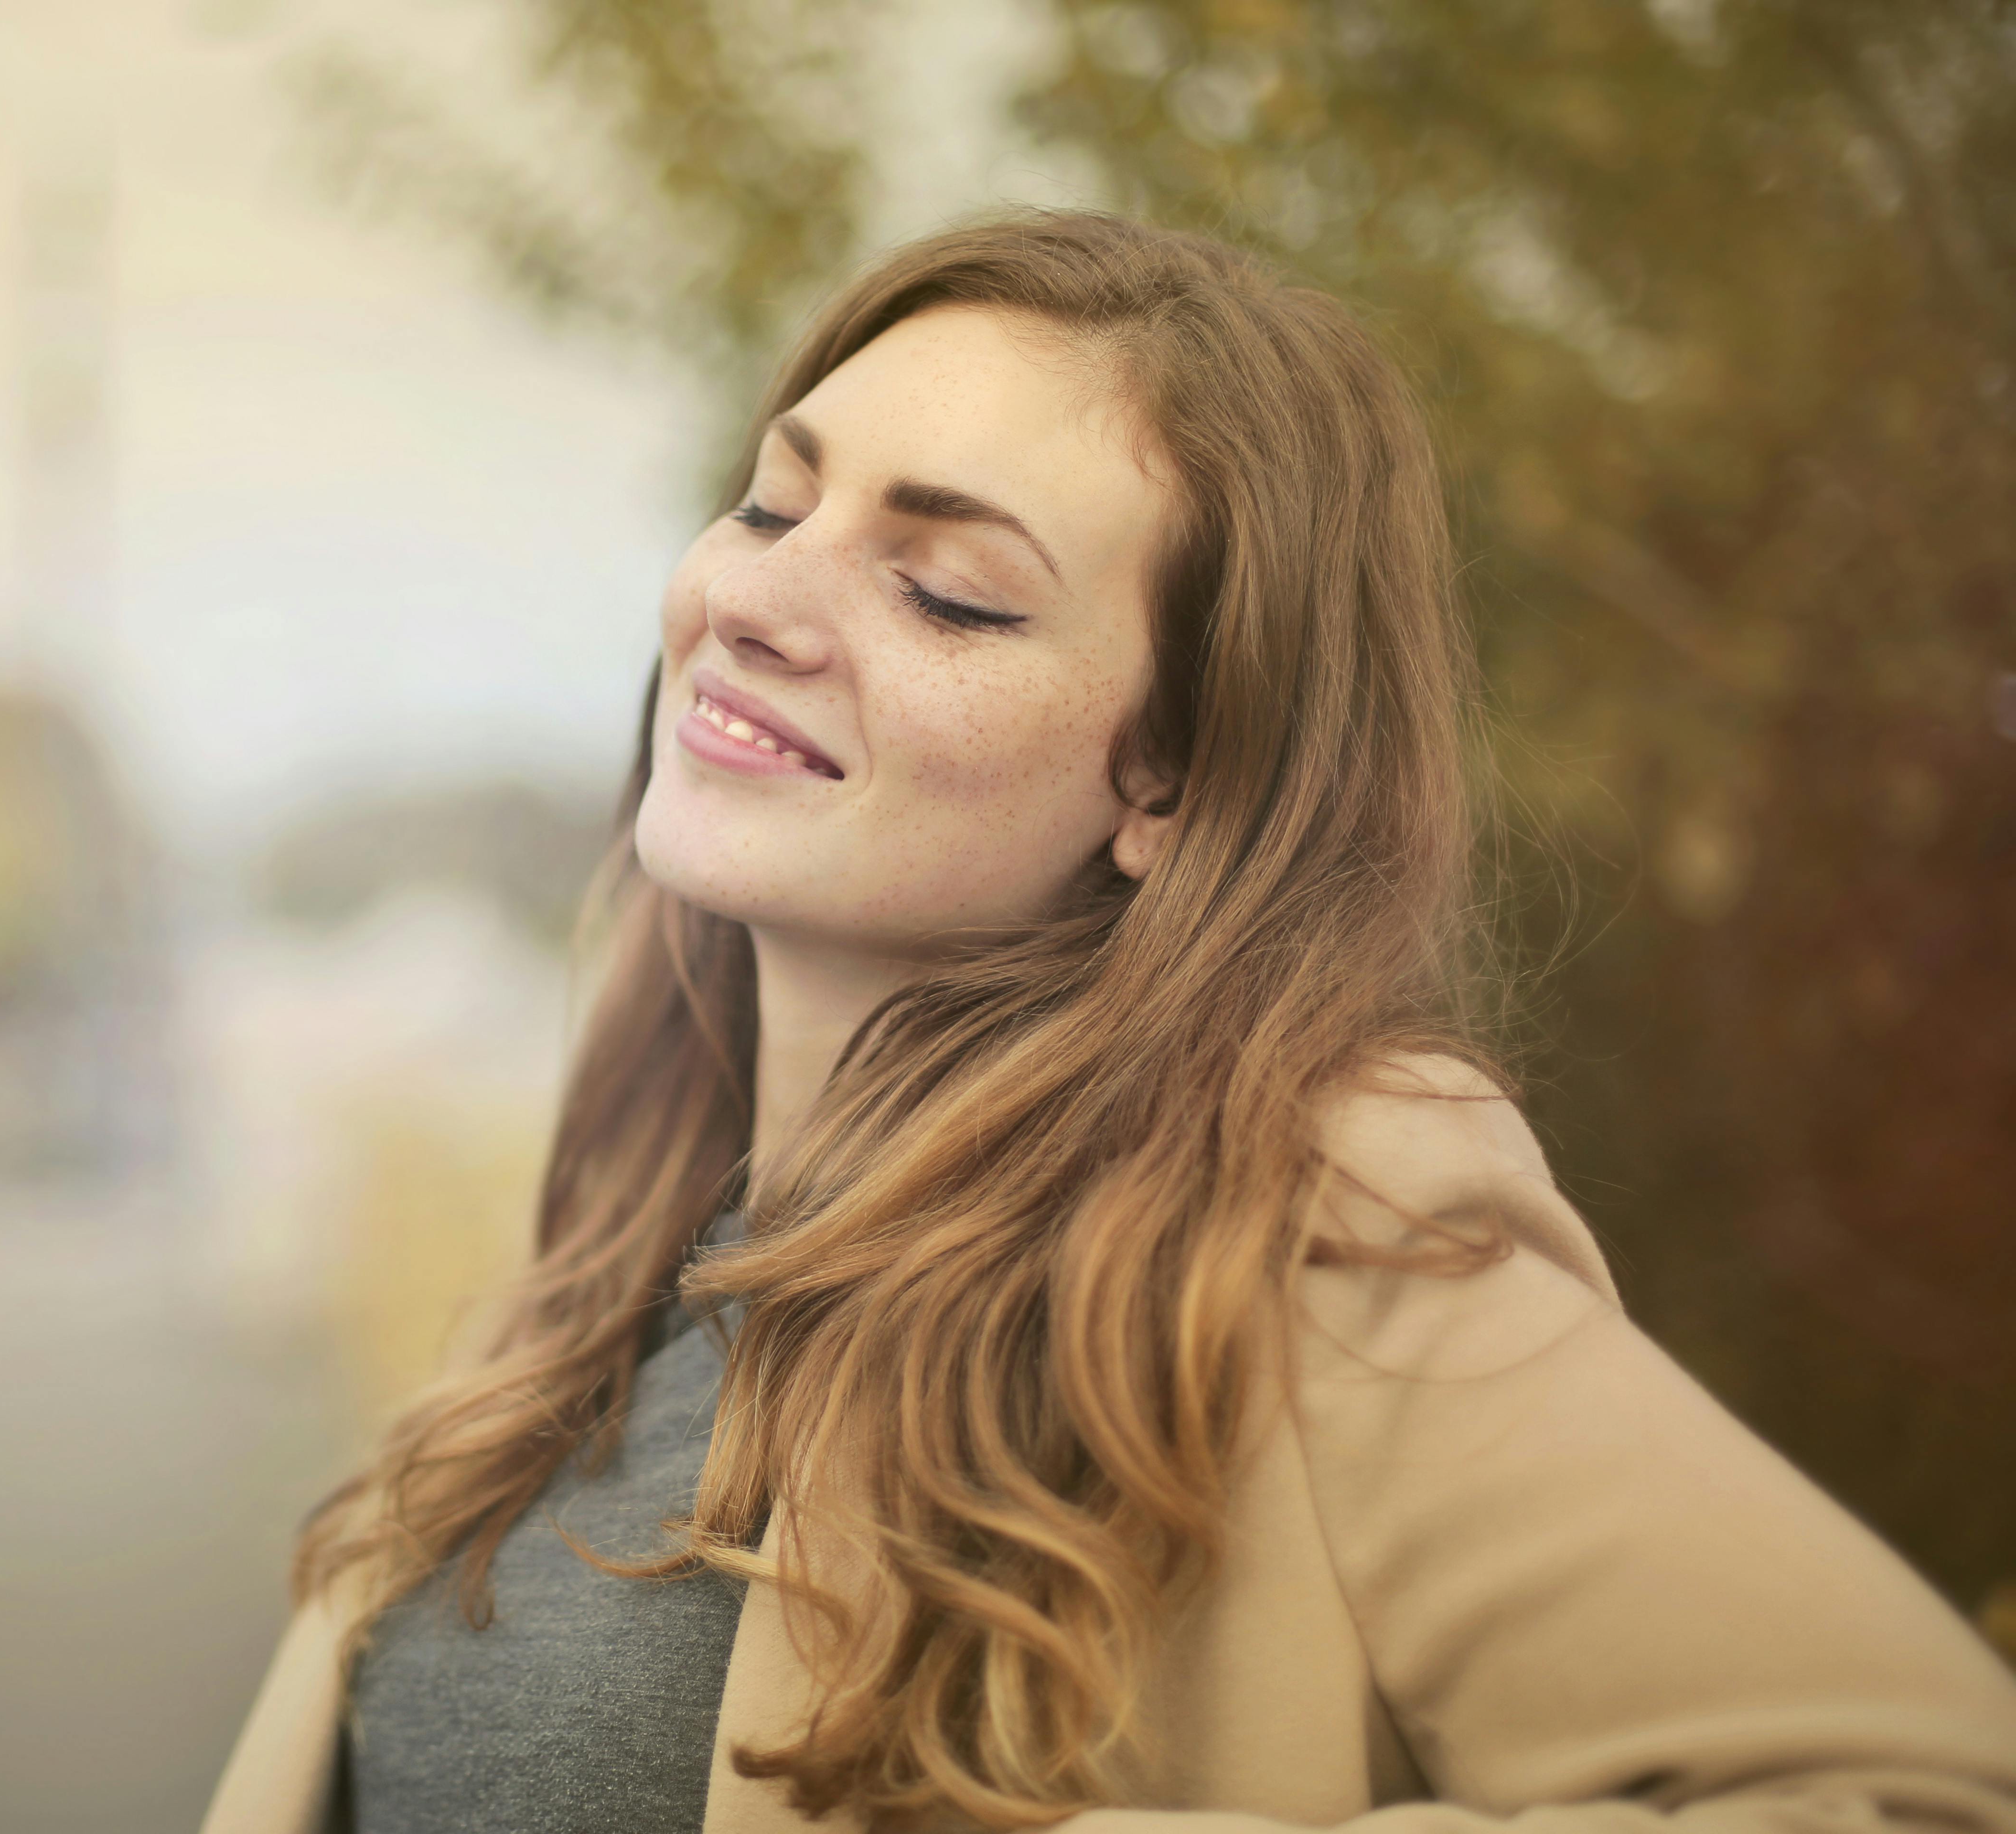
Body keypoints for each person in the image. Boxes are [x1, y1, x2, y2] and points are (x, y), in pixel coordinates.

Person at [202, 212, 2016, 1834]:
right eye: (772, 502)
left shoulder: (1318, 1222)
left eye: (946, 591)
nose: (751, 597)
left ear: (1170, 776)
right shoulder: (614, 1259)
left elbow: (1921, 1795)